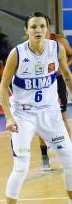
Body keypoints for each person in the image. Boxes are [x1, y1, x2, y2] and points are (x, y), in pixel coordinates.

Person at [0, 12, 72, 204]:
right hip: (24, 116)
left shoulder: (56, 48)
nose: (38, 30)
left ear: (47, 29)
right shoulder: (17, 54)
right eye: (33, 27)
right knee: (21, 167)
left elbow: (67, 75)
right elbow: (3, 88)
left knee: (70, 161)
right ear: (26, 31)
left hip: (50, 115)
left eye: (42, 26)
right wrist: (9, 117)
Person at [37, 30, 72, 170]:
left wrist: (63, 68)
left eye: (42, 26)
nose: (39, 30)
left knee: (63, 118)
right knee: (39, 120)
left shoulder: (60, 42)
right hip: (41, 84)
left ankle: (68, 152)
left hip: (57, 81)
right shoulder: (30, 46)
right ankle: (45, 157)